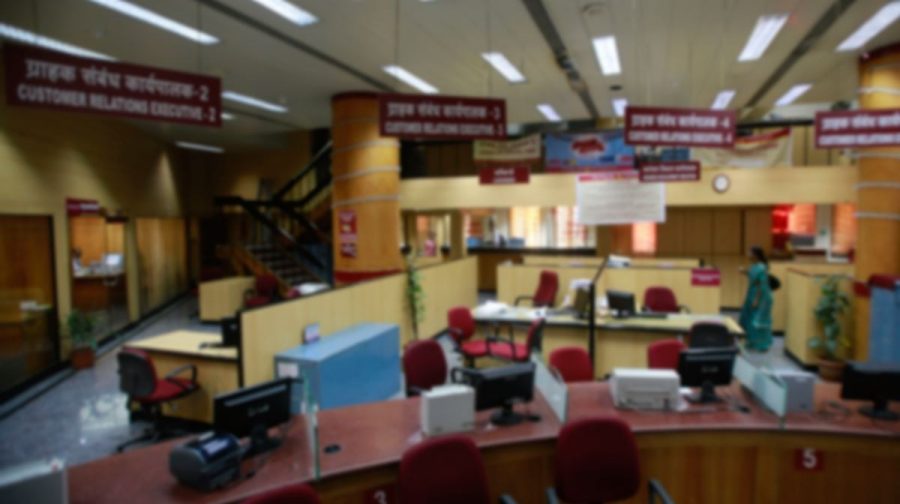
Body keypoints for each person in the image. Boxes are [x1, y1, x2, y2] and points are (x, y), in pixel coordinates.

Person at [739, 246, 774, 352]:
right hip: (752, 294)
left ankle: (762, 345)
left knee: (757, 320)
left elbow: (761, 285)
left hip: (760, 296)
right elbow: (751, 274)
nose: (748, 254)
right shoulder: (754, 266)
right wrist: (743, 271)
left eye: (749, 252)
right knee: (749, 318)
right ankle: (751, 341)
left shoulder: (762, 268)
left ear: (755, 255)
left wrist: (756, 300)